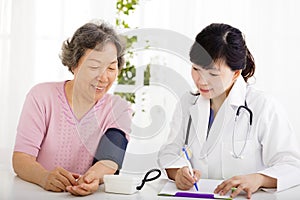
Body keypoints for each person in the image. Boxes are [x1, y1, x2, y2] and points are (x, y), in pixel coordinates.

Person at [158, 23, 300, 199]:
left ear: (235, 73)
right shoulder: (187, 103)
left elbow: (292, 165)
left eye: (213, 74)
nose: (201, 81)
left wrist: (259, 179)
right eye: (196, 69)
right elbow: (169, 152)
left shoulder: (264, 106)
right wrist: (179, 172)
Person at [12, 20, 132, 196]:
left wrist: (93, 178)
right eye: (94, 67)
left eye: (111, 68)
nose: (104, 77)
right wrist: (44, 177)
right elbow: (21, 159)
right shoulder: (41, 96)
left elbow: (110, 159)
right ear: (74, 64)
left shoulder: (119, 109)